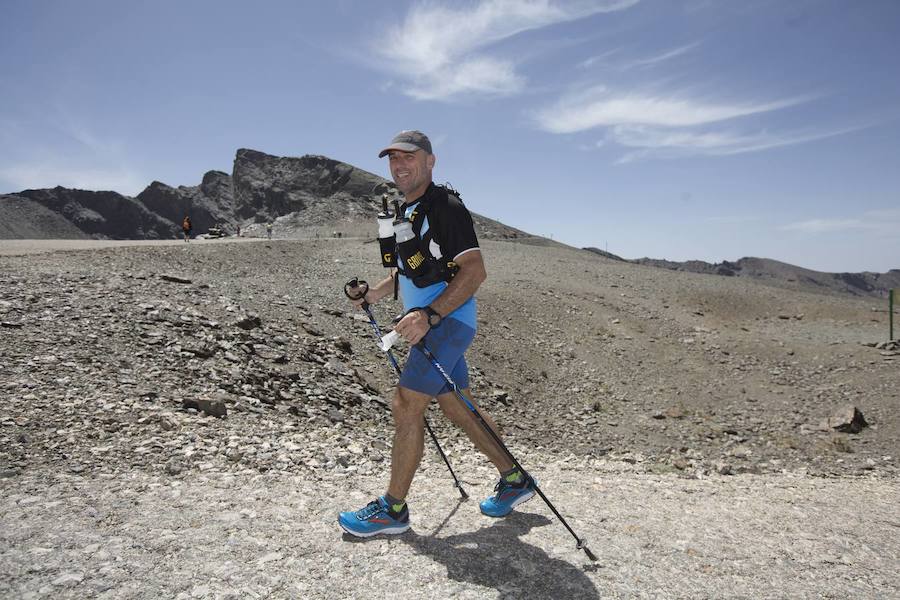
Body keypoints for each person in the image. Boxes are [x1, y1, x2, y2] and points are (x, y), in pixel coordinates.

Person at [339, 130, 535, 538]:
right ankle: (514, 479)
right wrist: (372, 292)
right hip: (437, 324)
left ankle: (393, 509)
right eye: (393, 160)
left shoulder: (445, 206)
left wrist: (429, 314)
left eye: (408, 157)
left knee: (406, 401)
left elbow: (475, 271)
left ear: (430, 161)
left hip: (444, 324)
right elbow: (409, 271)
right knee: (457, 406)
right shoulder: (408, 211)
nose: (400, 166)